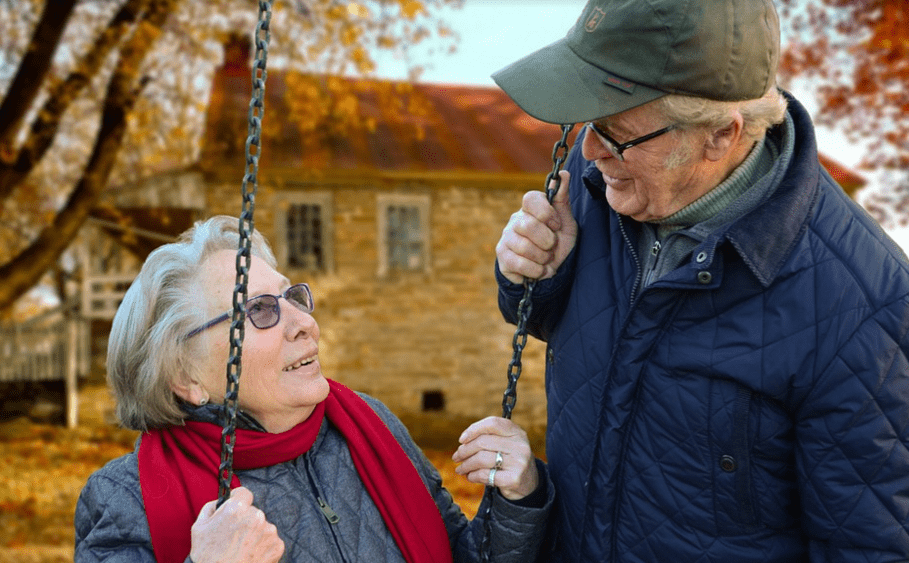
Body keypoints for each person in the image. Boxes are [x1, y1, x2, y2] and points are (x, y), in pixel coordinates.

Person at [491, 0, 909, 561]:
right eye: (588, 122)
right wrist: (535, 277)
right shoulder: (600, 182)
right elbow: (571, 329)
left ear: (719, 136)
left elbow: (871, 544)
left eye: (616, 134)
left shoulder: (863, 310)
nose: (589, 152)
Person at [75, 215, 552, 563]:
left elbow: (463, 556)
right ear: (186, 377)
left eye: (293, 297)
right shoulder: (125, 497)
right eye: (259, 310)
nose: (304, 322)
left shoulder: (369, 425)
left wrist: (518, 497)